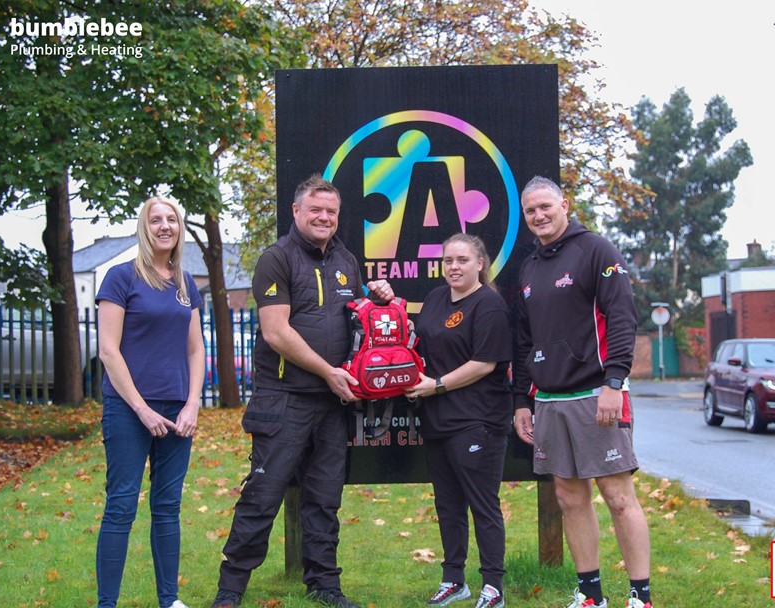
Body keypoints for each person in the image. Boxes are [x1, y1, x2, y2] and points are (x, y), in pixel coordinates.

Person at [212, 175, 393, 608]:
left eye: (331, 211)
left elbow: (361, 317)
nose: (324, 218)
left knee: (325, 498)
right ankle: (230, 589)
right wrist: (329, 371)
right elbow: (276, 332)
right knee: (262, 496)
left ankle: (325, 585)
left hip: (333, 404)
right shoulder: (276, 259)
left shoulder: (347, 259)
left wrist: (381, 298)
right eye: (316, 210)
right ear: (297, 211)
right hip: (284, 400)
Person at [512, 176, 654, 608]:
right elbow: (523, 342)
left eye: (545, 207)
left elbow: (623, 317)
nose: (538, 215)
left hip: (598, 394)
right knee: (569, 498)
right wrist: (522, 401)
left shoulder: (597, 250)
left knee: (617, 496)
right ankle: (591, 594)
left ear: (564, 204)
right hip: (549, 400)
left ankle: (640, 596)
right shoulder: (529, 267)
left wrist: (614, 382)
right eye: (530, 210)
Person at [95, 196, 204, 608]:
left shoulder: (185, 282)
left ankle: (169, 600)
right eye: (155, 220)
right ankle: (108, 603)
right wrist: (141, 409)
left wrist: (192, 403)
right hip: (128, 409)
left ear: (179, 227)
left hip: (178, 410)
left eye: (172, 219)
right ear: (144, 227)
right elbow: (108, 350)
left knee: (168, 506)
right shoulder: (119, 278)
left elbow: (196, 350)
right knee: (121, 505)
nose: (164, 226)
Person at [406, 233, 512, 608]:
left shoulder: (489, 304)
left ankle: (493, 587)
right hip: (437, 420)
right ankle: (454, 580)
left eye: (462, 260)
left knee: (483, 504)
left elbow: (486, 363)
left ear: (480, 264)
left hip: (477, 420)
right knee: (448, 505)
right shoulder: (436, 298)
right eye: (448, 260)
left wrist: (435, 385)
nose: (454, 267)